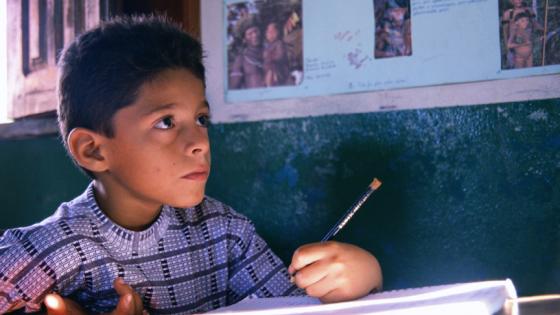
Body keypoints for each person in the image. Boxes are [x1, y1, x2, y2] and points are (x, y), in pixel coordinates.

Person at [0, 15, 382, 314]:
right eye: (166, 122)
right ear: (93, 150)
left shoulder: (226, 233)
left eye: (201, 119)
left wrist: (364, 278)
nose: (199, 143)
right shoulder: (59, 247)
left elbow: (292, 307)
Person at [501, 0, 542, 68]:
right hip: (516, 51)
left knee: (530, 71)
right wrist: (508, 51)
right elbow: (505, 32)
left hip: (529, 49)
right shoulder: (508, 14)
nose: (518, 1)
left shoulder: (528, 11)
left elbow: (535, 24)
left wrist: (544, 29)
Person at [228, 15, 265, 89]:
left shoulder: (272, 51)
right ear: (244, 39)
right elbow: (234, 88)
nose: (254, 35)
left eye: (256, 31)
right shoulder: (241, 60)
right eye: (250, 34)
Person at [263, 22, 293, 87]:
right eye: (268, 32)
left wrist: (269, 57)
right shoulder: (268, 46)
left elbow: (280, 56)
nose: (270, 34)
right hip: (269, 69)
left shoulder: (279, 43)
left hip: (278, 69)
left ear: (277, 33)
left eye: (272, 32)